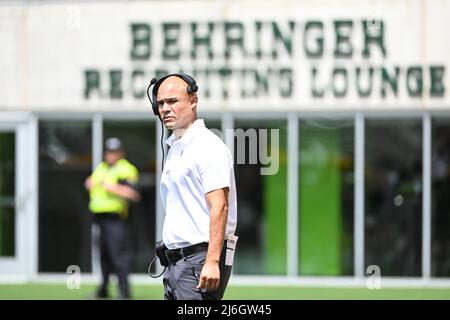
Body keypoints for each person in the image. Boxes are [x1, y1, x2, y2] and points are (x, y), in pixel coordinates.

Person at [152, 73, 238, 300]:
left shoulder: (208, 146)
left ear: (193, 101)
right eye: (160, 103)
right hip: (176, 263)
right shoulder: (175, 148)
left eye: (172, 101)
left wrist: (211, 261)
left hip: (199, 261)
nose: (165, 109)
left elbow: (220, 207)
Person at [84, 137, 141, 299]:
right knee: (103, 256)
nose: (111, 155)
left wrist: (112, 188)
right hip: (99, 219)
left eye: (115, 152)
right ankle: (104, 289)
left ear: (121, 153)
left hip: (116, 220)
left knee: (119, 257)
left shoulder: (126, 169)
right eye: (109, 151)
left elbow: (134, 194)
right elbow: (91, 183)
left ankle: (124, 292)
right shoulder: (101, 167)